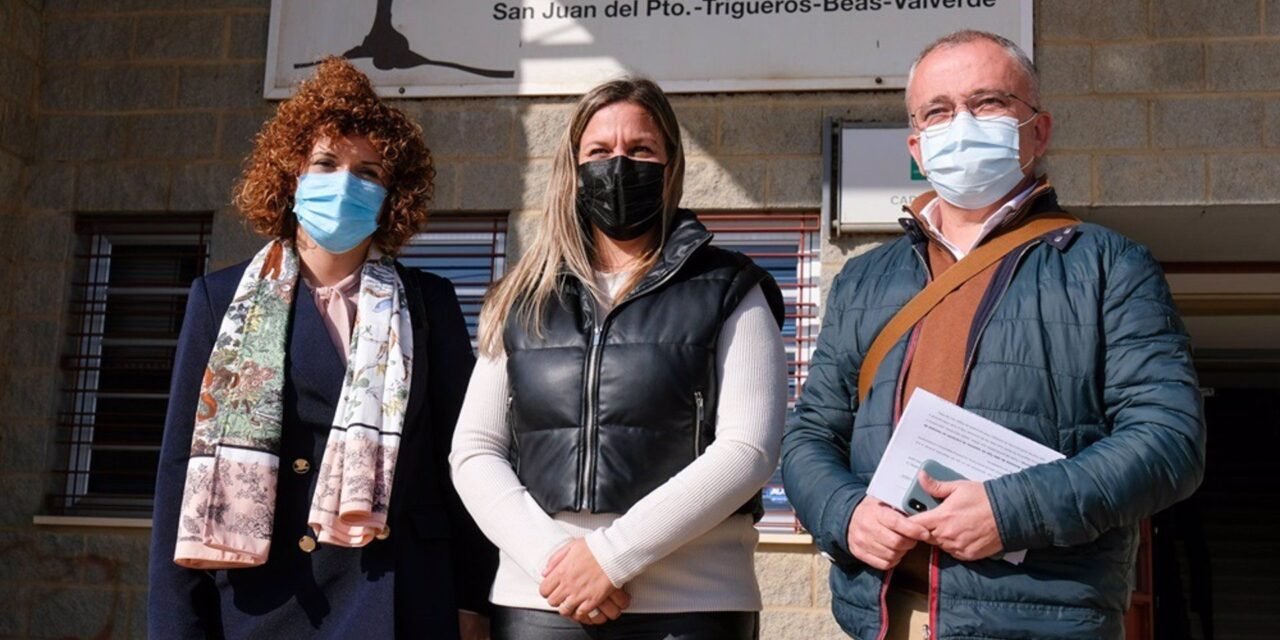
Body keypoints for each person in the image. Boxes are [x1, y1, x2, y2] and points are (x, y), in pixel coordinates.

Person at [781, 30, 1205, 640]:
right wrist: (844, 515)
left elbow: (1169, 442)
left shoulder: (1111, 266)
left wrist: (1012, 511)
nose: (962, 124)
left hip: (1042, 620)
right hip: (884, 619)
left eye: (988, 103)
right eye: (939, 111)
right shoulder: (863, 279)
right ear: (917, 147)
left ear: (1039, 130)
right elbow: (810, 433)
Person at [148, 57, 497, 639]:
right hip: (271, 600)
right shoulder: (218, 299)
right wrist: (176, 627)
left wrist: (472, 602)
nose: (345, 184)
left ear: (392, 195)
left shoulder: (429, 303)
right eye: (326, 163)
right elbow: (180, 471)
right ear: (290, 178)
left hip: (402, 598)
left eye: (368, 172)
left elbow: (459, 463)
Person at [449, 77, 788, 640]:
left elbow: (748, 451)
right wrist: (557, 562)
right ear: (574, 168)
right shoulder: (523, 296)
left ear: (672, 166)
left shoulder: (731, 287)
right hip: (541, 603)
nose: (620, 166)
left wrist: (610, 559)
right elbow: (475, 450)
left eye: (641, 150)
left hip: (691, 608)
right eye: (600, 152)